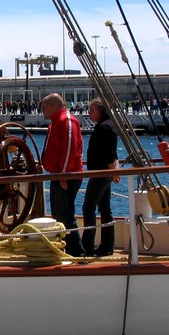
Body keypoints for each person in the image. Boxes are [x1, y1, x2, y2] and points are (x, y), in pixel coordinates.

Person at [40, 93, 85, 256]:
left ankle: (77, 253)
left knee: (65, 215)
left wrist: (63, 176)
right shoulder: (56, 122)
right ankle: (65, 249)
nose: (42, 110)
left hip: (66, 176)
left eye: (44, 107)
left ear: (53, 106)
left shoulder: (66, 121)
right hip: (58, 175)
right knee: (59, 214)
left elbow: (69, 150)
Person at [82, 98, 121, 257]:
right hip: (105, 173)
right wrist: (115, 171)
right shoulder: (109, 125)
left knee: (88, 208)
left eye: (92, 110)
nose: (89, 113)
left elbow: (108, 154)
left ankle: (87, 247)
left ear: (100, 111)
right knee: (105, 209)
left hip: (100, 174)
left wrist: (114, 172)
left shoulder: (103, 128)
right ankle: (107, 246)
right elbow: (114, 153)